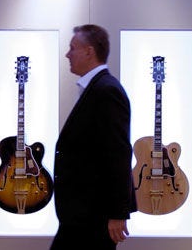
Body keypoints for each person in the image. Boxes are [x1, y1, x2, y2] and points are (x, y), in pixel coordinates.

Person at [50, 24, 137, 250]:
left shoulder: (106, 91)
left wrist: (118, 213)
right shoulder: (96, 88)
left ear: (89, 51)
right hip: (80, 214)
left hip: (92, 215)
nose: (67, 54)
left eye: (72, 48)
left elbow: (118, 154)